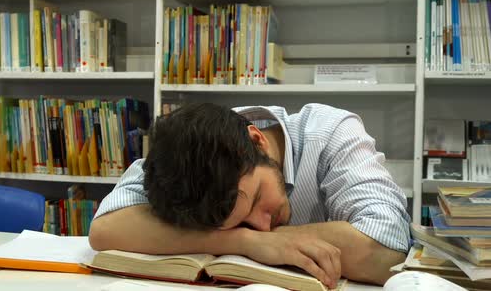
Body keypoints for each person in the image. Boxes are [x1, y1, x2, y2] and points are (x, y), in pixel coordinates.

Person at [89, 103, 411, 288]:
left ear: (257, 140)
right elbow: (105, 228)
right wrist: (245, 243)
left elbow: (387, 249)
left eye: (256, 199)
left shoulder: (332, 133)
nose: (262, 225)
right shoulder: (183, 154)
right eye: (237, 224)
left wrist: (280, 239)